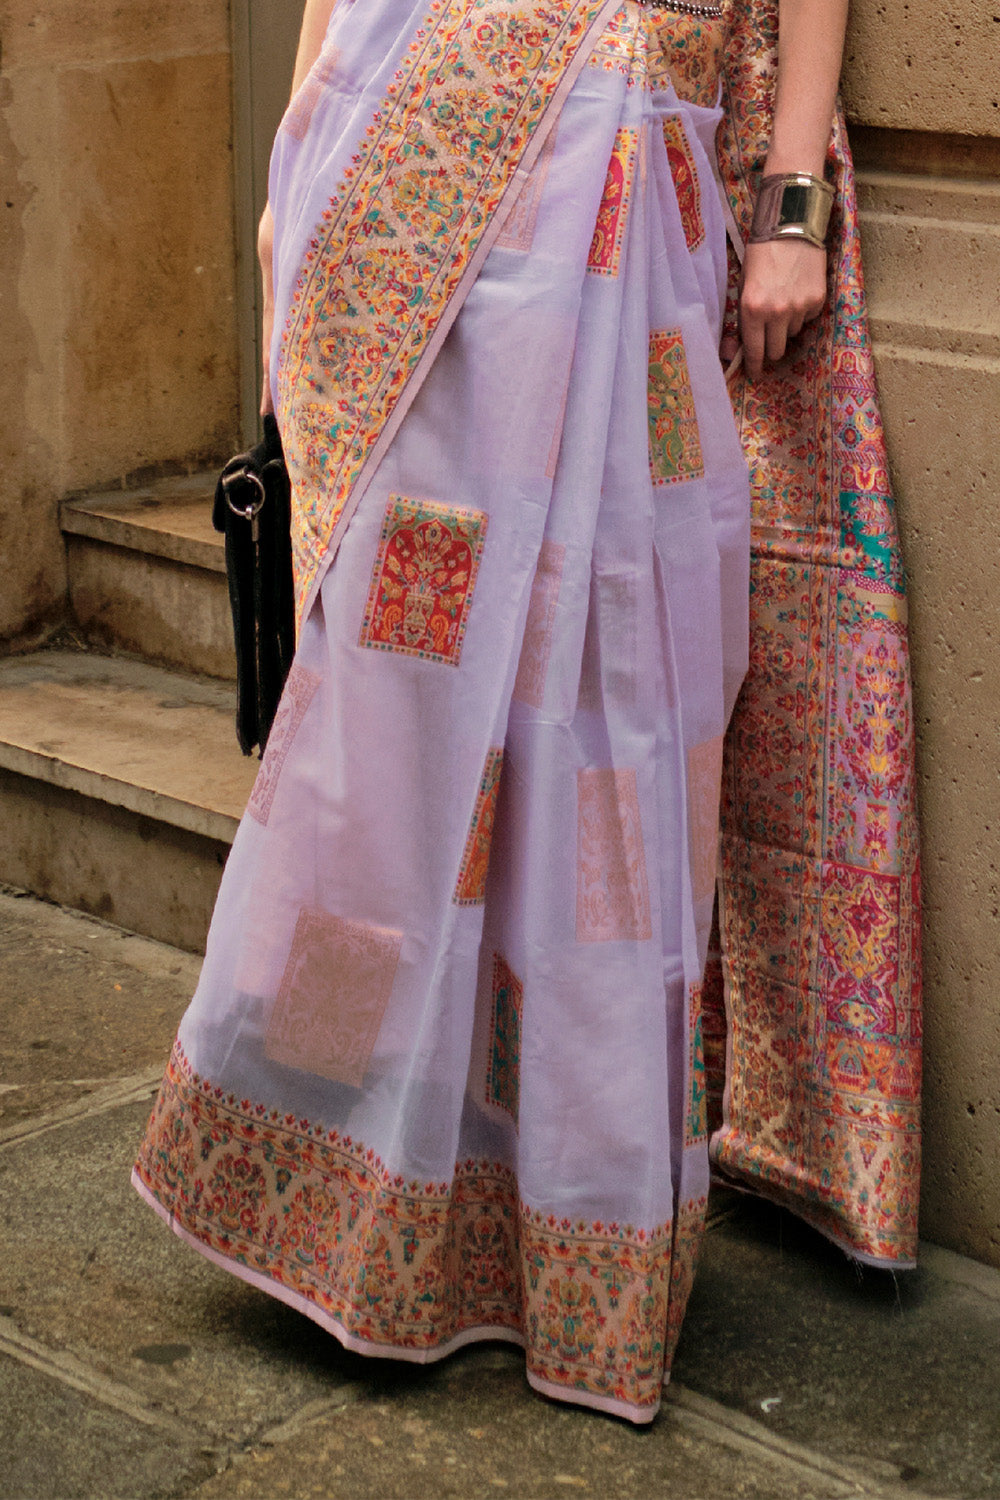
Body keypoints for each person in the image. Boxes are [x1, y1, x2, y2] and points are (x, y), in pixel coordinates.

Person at [133, 0, 921, 1424]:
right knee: (390, 720)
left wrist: (793, 202)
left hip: (635, 186)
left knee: (619, 721)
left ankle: (575, 1209)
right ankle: (323, 1169)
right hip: (426, 175)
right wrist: (297, 149)